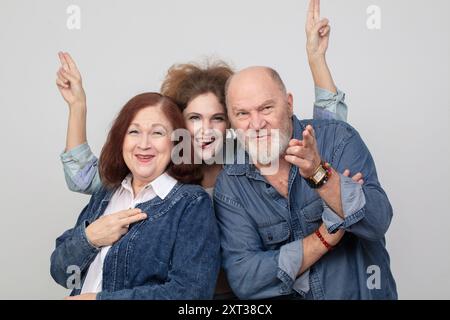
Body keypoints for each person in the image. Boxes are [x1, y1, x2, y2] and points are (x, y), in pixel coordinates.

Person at [55, 0, 356, 299]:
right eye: (195, 118)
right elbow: (84, 178)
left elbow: (321, 137)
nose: (206, 130)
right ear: (178, 124)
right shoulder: (161, 168)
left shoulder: (247, 158)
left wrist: (317, 61)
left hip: (254, 293)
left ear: (231, 122)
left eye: (217, 118)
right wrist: (77, 107)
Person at [213, 2, 397, 299]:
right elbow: (246, 279)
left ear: (289, 103)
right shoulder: (231, 185)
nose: (256, 123)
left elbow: (376, 222)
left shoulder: (337, 139)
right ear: (232, 121)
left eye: (266, 108)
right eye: (242, 114)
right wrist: (324, 237)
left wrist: (320, 175)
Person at [50, 92, 220, 300]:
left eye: (157, 133)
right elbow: (62, 274)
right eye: (134, 132)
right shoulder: (107, 192)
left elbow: (191, 294)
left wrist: (98, 300)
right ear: (121, 140)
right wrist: (90, 238)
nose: (144, 144)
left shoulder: (191, 203)